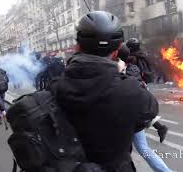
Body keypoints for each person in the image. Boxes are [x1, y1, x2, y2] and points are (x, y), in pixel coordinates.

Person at [49, 11, 158, 172]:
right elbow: (149, 112)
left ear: (77, 46)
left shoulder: (55, 88)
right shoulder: (131, 90)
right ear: (117, 50)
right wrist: (120, 74)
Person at [118, 45, 172, 172]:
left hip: (128, 118)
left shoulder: (124, 72)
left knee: (125, 153)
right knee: (142, 148)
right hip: (134, 116)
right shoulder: (133, 67)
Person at [126, 38, 169, 143]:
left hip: (138, 85)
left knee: (141, 110)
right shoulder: (142, 54)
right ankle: (160, 128)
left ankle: (159, 128)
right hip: (142, 84)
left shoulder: (133, 58)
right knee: (143, 109)